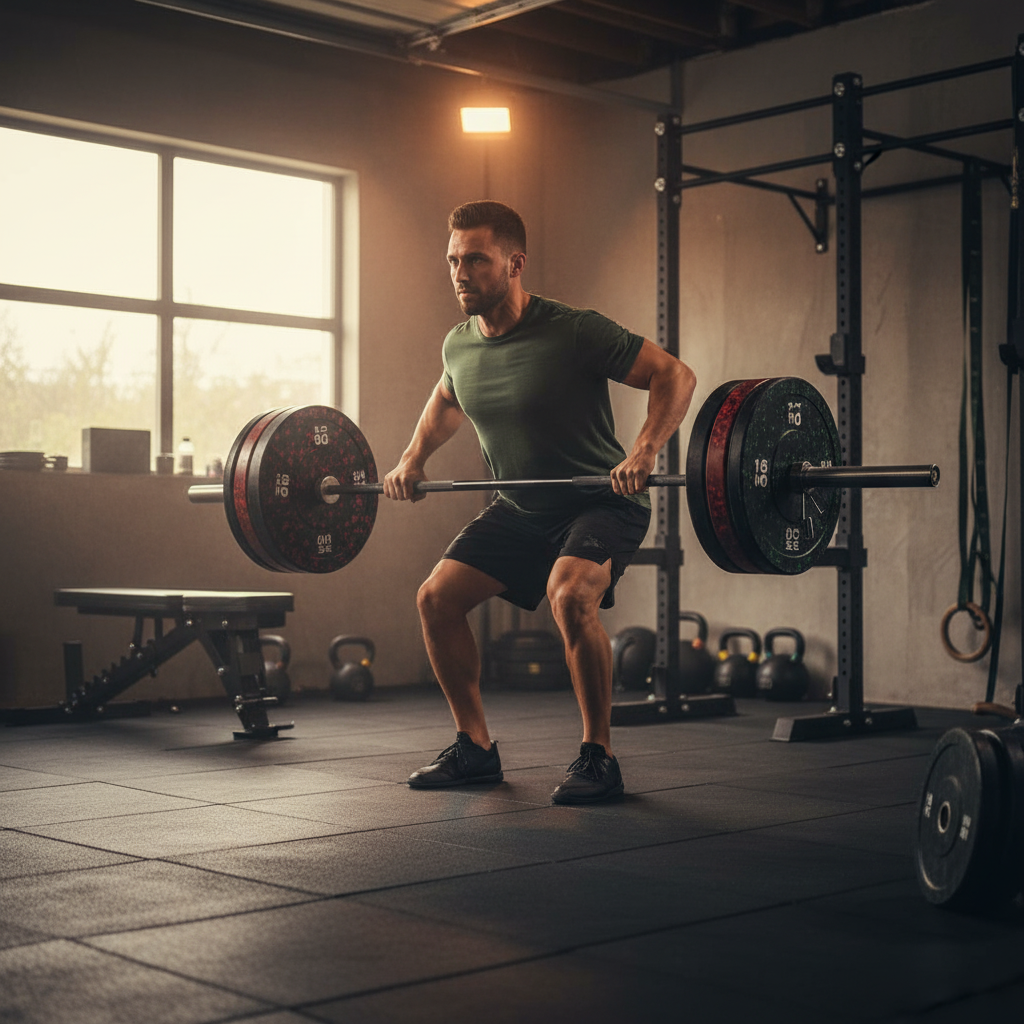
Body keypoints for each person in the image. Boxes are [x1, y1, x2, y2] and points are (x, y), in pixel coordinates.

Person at [383, 201, 695, 804]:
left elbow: (674, 375)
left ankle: (598, 755)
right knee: (436, 599)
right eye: (452, 260)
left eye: (475, 258)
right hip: (521, 508)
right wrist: (411, 460)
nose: (460, 272)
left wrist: (645, 450)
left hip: (601, 499)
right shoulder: (459, 345)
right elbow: (447, 402)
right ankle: (474, 748)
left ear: (514, 263)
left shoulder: (572, 329)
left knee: (571, 594)